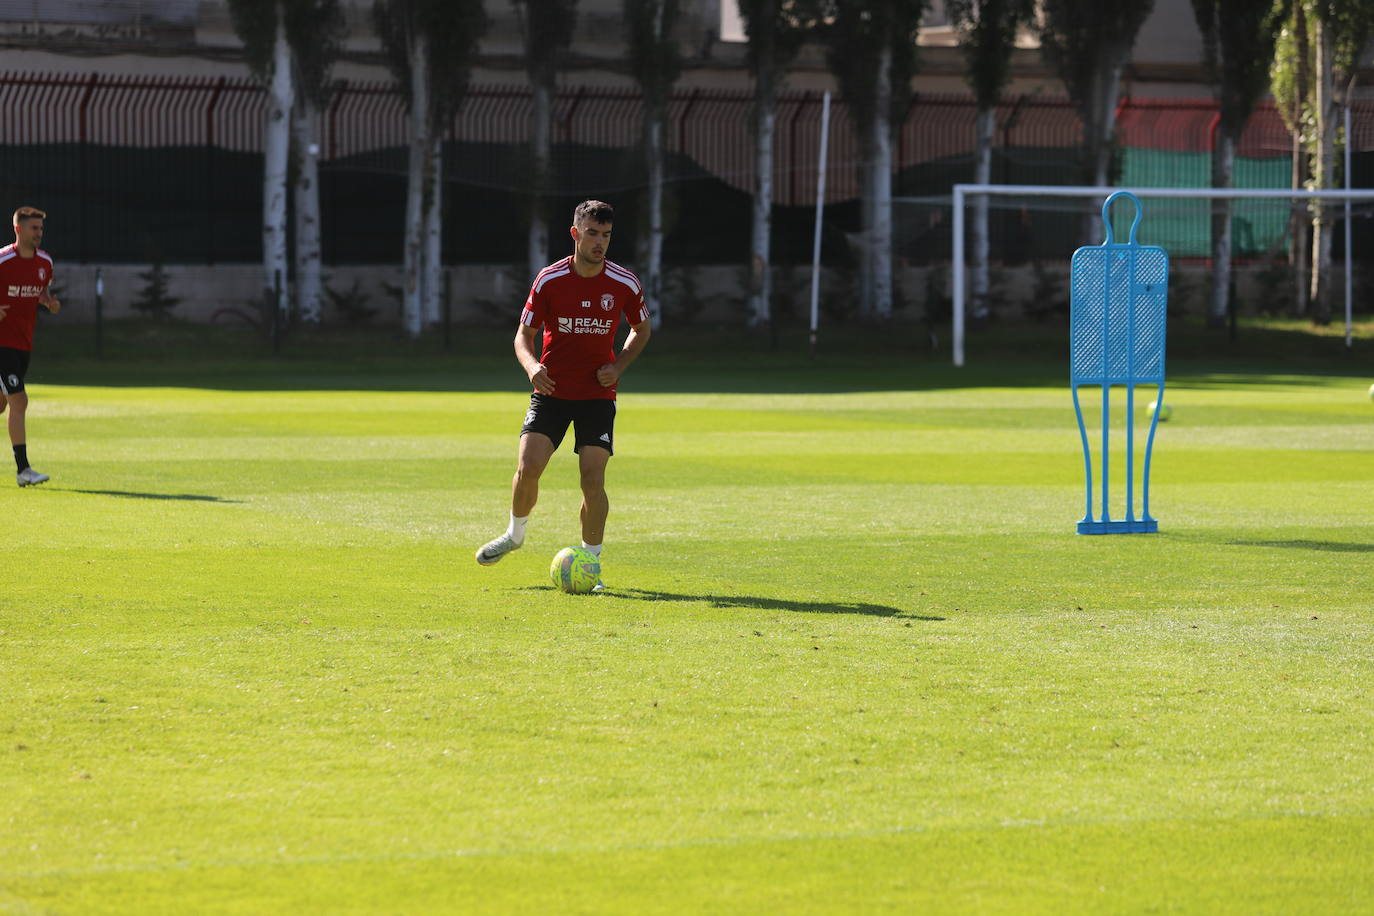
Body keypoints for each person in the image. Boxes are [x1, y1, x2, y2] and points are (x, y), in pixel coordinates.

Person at [475, 200, 652, 589]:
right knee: (528, 466)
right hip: (552, 389)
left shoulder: (624, 283)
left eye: (606, 235)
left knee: (593, 478)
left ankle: (591, 562)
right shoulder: (549, 280)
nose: (599, 242)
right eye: (592, 234)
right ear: (576, 234)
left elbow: (642, 329)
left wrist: (618, 366)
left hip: (597, 394)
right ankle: (515, 534)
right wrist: (532, 368)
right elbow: (523, 335)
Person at [0, 206, 61, 487]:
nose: (39, 233)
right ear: (18, 229)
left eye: (40, 229)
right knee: (19, 401)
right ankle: (23, 470)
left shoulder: (45, 262)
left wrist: (48, 301)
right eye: (33, 228)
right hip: (1, 344)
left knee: (2, 406)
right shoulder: (3, 260)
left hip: (23, 343)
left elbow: (40, 290)